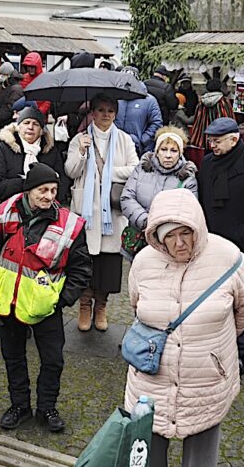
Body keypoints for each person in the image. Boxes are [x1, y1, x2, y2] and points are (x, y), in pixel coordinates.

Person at [125, 189, 244, 467]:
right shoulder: (143, 262)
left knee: (201, 459)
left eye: (185, 233)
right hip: (152, 380)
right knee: (148, 456)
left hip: (206, 380)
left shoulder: (231, 258)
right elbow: (136, 306)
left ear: (198, 226)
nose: (179, 243)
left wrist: (212, 347)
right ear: (158, 238)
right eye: (170, 236)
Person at [0, 164, 91, 433]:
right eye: (43, 190)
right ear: (28, 191)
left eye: (53, 190)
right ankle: (19, 406)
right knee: (13, 358)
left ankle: (47, 407)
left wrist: (60, 300)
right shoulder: (3, 216)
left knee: (53, 361)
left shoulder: (69, 224)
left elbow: (81, 268)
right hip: (8, 304)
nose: (49, 196)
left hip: (46, 308)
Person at [197, 117, 244, 372]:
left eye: (217, 141)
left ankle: (239, 351)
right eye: (210, 140)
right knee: (209, 298)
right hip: (210, 244)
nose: (212, 145)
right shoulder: (207, 164)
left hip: (242, 246)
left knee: (242, 299)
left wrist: (243, 234)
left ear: (234, 139)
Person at [65, 94, 138, 332]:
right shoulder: (80, 139)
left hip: (112, 213)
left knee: (107, 264)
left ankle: (101, 306)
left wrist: (107, 171)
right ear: (92, 113)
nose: (105, 115)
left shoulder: (125, 140)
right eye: (100, 110)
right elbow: (71, 171)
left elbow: (134, 168)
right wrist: (82, 153)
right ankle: (84, 304)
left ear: (115, 114)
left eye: (110, 110)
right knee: (85, 260)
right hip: (86, 211)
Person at [120, 126, 199, 238]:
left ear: (180, 153)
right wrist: (145, 221)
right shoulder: (142, 168)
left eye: (174, 150)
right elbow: (127, 197)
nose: (168, 155)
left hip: (167, 241)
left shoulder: (187, 177)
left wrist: (161, 228)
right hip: (137, 238)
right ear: (157, 151)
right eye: (163, 149)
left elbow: (188, 211)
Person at [0, 106, 69, 203]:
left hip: (46, 205)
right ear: (18, 126)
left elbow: (62, 182)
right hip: (10, 204)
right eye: (26, 123)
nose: (30, 127)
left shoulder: (50, 151)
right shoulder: (4, 148)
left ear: (41, 130)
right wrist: (29, 184)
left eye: (36, 124)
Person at [0, 61, 22, 156]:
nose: (0, 77)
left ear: (9, 75)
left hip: (5, 129)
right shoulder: (6, 88)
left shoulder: (15, 90)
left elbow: (8, 110)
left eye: (3, 75)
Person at [188, 79, 233, 150]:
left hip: (205, 136)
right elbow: (228, 119)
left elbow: (197, 119)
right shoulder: (224, 101)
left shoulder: (201, 102)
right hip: (220, 136)